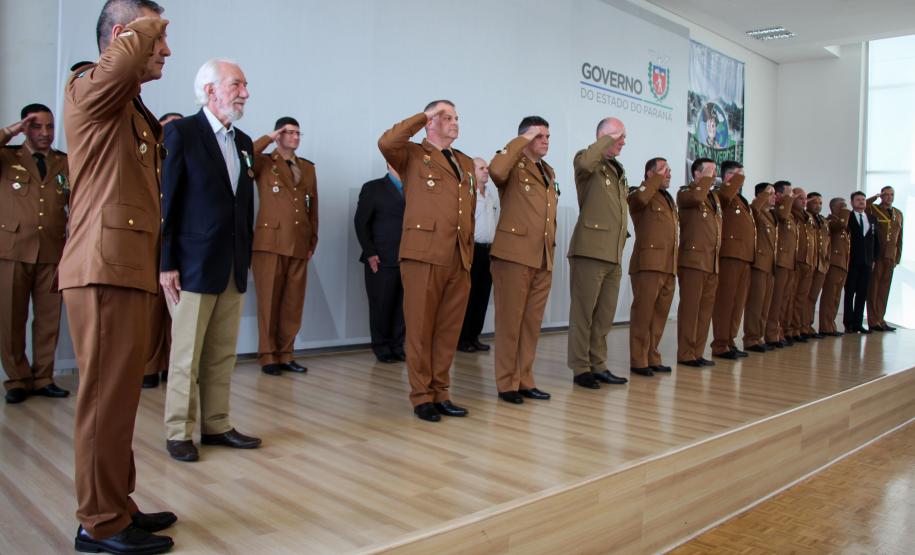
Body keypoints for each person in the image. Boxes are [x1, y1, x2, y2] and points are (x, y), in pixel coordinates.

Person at [59, 1, 176, 552]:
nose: (167, 51)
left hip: (123, 266)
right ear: (126, 37)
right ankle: (99, 523)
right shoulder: (89, 87)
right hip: (102, 267)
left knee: (120, 398)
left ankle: (116, 502)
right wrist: (139, 31)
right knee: (104, 398)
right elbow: (120, 63)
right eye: (158, 39)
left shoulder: (122, 106)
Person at [160, 59, 260, 461]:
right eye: (237, 84)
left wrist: (246, 255)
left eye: (245, 85)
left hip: (232, 265)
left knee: (222, 353)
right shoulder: (181, 133)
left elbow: (243, 203)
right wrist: (166, 262)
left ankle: (217, 424)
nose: (245, 93)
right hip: (191, 265)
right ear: (210, 90)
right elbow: (168, 200)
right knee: (186, 354)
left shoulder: (244, 142)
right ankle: (178, 431)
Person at [378, 100, 474, 422]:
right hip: (424, 253)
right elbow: (386, 142)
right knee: (420, 328)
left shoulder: (464, 162)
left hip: (458, 256)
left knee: (448, 331)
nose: (454, 122)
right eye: (446, 117)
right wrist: (422, 117)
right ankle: (421, 396)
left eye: (456, 117)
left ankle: (441, 392)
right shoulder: (413, 155)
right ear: (431, 122)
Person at [0, 104, 70, 403]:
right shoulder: (8, 157)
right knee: (11, 317)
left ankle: (43, 377)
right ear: (25, 128)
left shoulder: (63, 162)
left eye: (50, 127)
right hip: (14, 250)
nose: (45, 133)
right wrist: (10, 131)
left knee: (48, 318)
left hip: (52, 250)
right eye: (37, 126)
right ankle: (16, 379)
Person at [487, 116, 556, 403]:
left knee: (531, 324)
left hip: (541, 256)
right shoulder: (512, 163)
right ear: (525, 137)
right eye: (539, 136)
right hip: (513, 256)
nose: (545, 141)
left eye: (548, 136)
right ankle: (507, 383)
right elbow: (496, 171)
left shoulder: (548, 170)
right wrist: (521, 141)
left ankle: (525, 378)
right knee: (510, 322)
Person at [251, 117, 318, 375]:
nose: (296, 137)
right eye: (289, 132)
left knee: (292, 302)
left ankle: (286, 353)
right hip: (270, 243)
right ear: (279, 134)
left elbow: (313, 206)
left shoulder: (308, 168)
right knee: (268, 301)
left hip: (299, 243)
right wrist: (268, 138)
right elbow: (245, 155)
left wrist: (313, 238)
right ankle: (268, 355)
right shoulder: (266, 163)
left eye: (298, 133)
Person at [567, 117, 629, 389]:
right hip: (590, 250)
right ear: (605, 136)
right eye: (620, 137)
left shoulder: (616, 169)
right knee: (584, 314)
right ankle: (581, 368)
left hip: (613, 253)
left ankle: (598, 364)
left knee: (604, 315)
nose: (623, 142)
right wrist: (607, 139)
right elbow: (585, 163)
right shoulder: (586, 160)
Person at [676, 158, 739, 367]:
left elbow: (728, 194)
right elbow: (696, 196)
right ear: (696, 173)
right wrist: (704, 181)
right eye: (710, 171)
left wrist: (738, 176)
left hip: (712, 262)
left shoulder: (714, 197)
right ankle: (686, 353)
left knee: (704, 311)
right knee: (690, 309)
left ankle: (697, 352)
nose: (714, 176)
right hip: (693, 260)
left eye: (715, 171)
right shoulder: (686, 192)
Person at [142, 113, 182, 389]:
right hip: (148, 244)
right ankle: (148, 367)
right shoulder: (145, 160)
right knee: (149, 312)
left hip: (179, 246)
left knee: (177, 310)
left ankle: (171, 365)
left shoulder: (186, 162)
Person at [628, 157, 677, 376]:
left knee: (659, 315)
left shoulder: (667, 198)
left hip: (668, 264)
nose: (668, 174)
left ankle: (652, 356)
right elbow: (640, 199)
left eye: (669, 171)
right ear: (650, 173)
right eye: (664, 170)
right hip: (648, 263)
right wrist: (654, 180)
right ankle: (639, 361)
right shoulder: (638, 192)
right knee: (643, 313)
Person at [354, 164, 405, 363]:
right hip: (381, 258)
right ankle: (382, 347)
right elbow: (361, 222)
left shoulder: (415, 188)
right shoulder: (373, 188)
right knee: (381, 305)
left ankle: (397, 345)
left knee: (403, 307)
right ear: (390, 163)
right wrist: (370, 252)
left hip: (408, 257)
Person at [711, 160, 753, 360]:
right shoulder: (721, 193)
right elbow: (725, 196)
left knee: (737, 303)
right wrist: (732, 183)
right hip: (729, 255)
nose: (742, 179)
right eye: (739, 175)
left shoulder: (740, 198)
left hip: (744, 255)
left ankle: (730, 340)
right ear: (728, 176)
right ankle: (720, 344)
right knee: (725, 302)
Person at [458, 157, 498, 353]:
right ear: (471, 172)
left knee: (482, 296)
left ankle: (474, 336)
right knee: (468, 296)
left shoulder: (490, 195)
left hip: (488, 251)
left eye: (487, 168)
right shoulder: (467, 194)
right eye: (481, 168)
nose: (486, 171)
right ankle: (462, 338)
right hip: (471, 249)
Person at [743, 183, 783, 352]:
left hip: (770, 264)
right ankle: (751, 339)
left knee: (765, 304)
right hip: (759, 264)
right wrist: (763, 196)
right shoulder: (756, 211)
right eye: (771, 193)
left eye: (775, 193)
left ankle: (759, 336)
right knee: (756, 304)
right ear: (761, 195)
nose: (775, 196)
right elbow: (754, 208)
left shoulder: (771, 215)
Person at [764, 182, 799, 348]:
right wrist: (788, 201)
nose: (791, 196)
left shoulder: (789, 211)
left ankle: (779, 331)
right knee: (775, 300)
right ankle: (771, 334)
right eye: (788, 193)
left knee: (784, 300)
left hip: (789, 261)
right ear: (778, 195)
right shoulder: (777, 210)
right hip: (779, 261)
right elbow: (783, 215)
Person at [866, 187, 903, 332]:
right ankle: (873, 320)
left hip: (890, 256)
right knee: (873, 288)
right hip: (878, 255)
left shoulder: (898, 213)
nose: (889, 197)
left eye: (891, 194)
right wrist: (875, 197)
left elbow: (899, 238)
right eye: (886, 195)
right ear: (881, 196)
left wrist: (897, 257)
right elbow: (863, 206)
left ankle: (881, 319)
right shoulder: (873, 208)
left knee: (884, 289)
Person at [843, 191, 879, 333]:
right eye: (858, 199)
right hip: (851, 261)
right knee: (850, 292)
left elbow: (876, 241)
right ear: (852, 202)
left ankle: (858, 323)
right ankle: (848, 323)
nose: (861, 202)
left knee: (862, 293)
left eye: (863, 199)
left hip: (867, 262)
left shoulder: (872, 218)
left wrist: (874, 259)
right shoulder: (848, 217)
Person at [818, 197, 851, 336]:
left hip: (843, 263)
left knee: (836, 297)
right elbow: (839, 227)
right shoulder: (830, 221)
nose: (845, 208)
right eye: (842, 205)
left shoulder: (842, 222)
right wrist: (845, 214)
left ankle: (831, 325)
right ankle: (825, 326)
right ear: (834, 207)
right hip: (833, 263)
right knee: (829, 296)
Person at [787, 188, 815, 342]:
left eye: (805, 199)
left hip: (807, 261)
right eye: (800, 198)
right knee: (789, 298)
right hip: (795, 261)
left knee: (801, 298)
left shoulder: (807, 217)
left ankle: (796, 328)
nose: (804, 202)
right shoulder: (790, 214)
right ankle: (787, 329)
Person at [802, 192, 830, 339]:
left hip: (821, 263)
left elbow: (827, 242)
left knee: (813, 297)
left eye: (820, 203)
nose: (818, 206)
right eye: (815, 203)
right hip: (809, 261)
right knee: (803, 296)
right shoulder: (805, 218)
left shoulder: (823, 221)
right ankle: (800, 326)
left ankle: (808, 325)